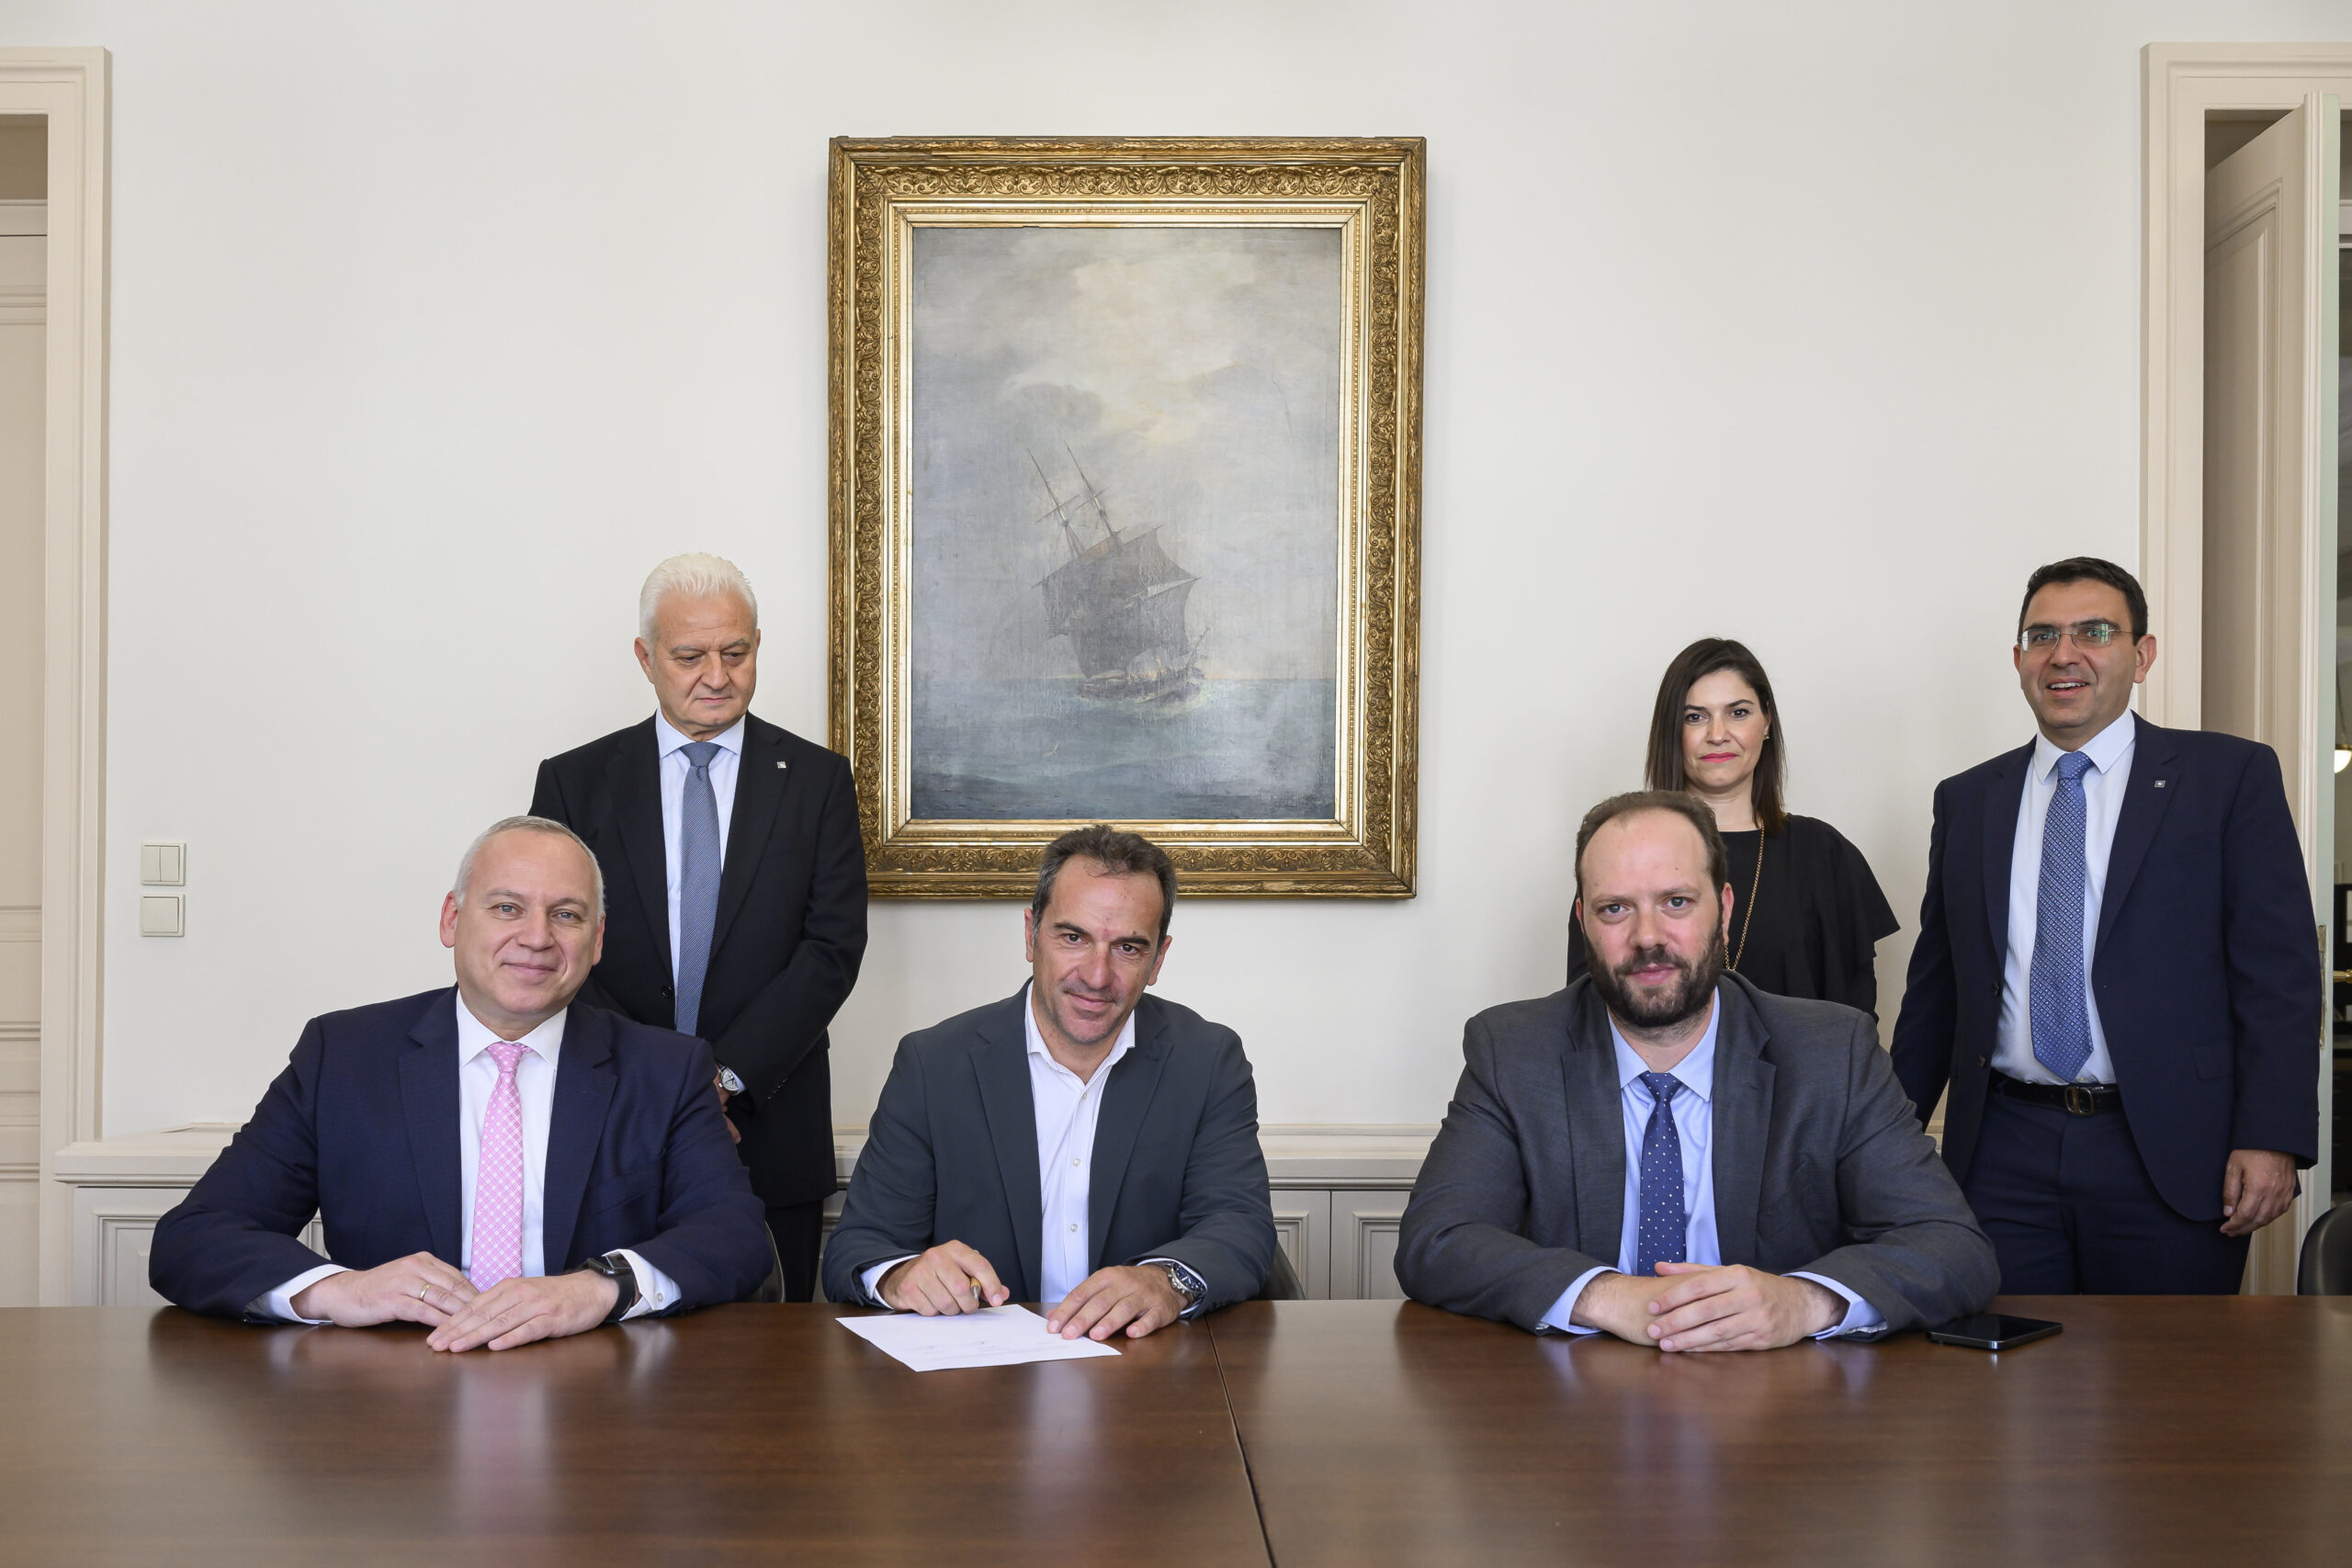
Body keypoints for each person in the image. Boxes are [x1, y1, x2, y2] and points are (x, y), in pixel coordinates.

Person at [1398, 791, 1996, 1347]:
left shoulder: (1831, 1052)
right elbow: (1437, 1239)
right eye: (1615, 908)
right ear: (1584, 923)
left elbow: (1952, 1247)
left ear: (1724, 909)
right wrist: (1606, 1296)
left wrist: (1803, 1302)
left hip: (1782, 1402)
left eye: (1676, 902)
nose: (1648, 937)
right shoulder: (1513, 1051)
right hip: (1575, 1401)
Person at [149, 817, 772, 1347]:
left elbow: (736, 1237)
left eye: (566, 914)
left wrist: (600, 1288)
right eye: (507, 907)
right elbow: (194, 1236)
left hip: (595, 1394)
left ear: (597, 940)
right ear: (451, 919)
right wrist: (342, 1289)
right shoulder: (343, 1057)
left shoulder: (665, 1069)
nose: (537, 937)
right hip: (390, 1395)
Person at [1890, 557, 2318, 1293]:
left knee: (2165, 1365)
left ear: (2141, 655)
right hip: (2001, 1154)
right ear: (2019, 659)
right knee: (2008, 1360)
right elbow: (1937, 991)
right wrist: (1886, 1144)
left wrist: (2271, 1134)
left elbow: (2279, 976)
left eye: (2094, 632)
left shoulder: (2227, 778)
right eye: (2043, 635)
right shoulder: (1968, 799)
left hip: (2171, 1148)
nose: (2065, 654)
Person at [531, 552, 867, 1301]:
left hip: (769, 1127)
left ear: (757, 645)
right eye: (690, 656)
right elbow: (554, 944)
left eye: (736, 652)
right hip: (611, 1115)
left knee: (771, 1357)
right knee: (605, 1342)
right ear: (646, 657)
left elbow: (831, 950)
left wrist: (720, 1080)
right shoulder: (575, 781)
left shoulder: (818, 782)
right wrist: (657, 1080)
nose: (717, 675)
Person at [822, 824, 1276, 1339]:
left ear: (1158, 959)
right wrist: (901, 1276)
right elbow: (858, 1247)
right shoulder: (933, 1065)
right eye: (1073, 938)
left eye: (1128, 948)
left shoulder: (1207, 1061)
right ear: (1030, 934)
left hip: (1143, 1365)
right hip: (980, 1372)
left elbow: (1240, 1226)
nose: (1097, 976)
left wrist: (1166, 1281)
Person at [1568, 637, 1898, 1014]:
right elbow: (1586, 1013)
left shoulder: (1826, 854)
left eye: (1738, 713)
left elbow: (1855, 1016)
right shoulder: (1619, 853)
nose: (1718, 734)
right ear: (1671, 731)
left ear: (1767, 722)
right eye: (1695, 717)